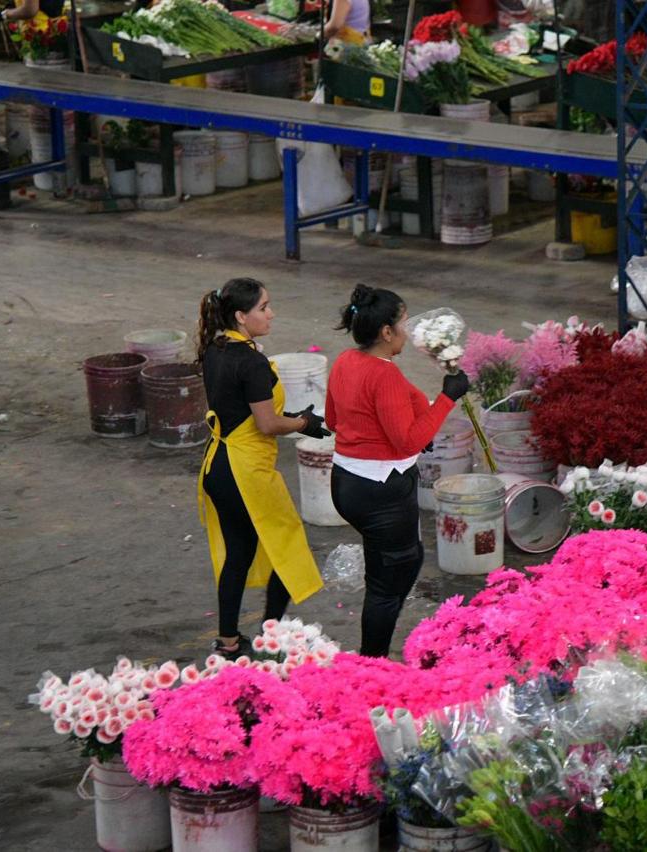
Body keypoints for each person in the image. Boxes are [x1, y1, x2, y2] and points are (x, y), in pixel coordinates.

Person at [324, 285, 470, 657]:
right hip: (380, 491)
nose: (409, 331)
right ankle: (371, 664)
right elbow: (407, 441)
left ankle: (371, 658)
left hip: (346, 482)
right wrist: (448, 398)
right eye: (404, 323)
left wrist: (425, 411)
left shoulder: (346, 361)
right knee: (390, 583)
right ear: (386, 332)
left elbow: (333, 419)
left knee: (400, 563)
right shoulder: (383, 374)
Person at [196, 278, 330, 660]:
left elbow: (243, 413)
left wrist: (292, 419)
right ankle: (271, 630)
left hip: (217, 464)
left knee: (239, 552)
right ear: (241, 316)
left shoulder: (214, 349)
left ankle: (228, 641)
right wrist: (303, 422)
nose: (271, 313)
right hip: (245, 471)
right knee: (286, 542)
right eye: (263, 308)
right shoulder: (251, 361)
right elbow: (268, 424)